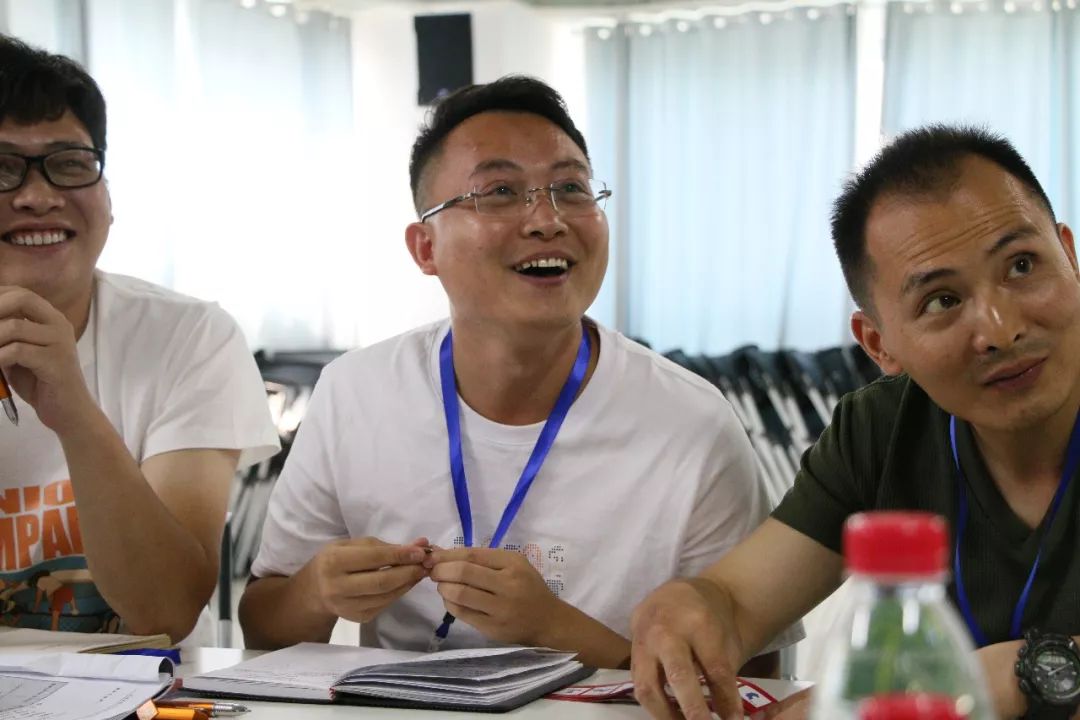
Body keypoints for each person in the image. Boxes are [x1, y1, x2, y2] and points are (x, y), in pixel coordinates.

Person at [239, 75, 797, 671]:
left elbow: (754, 679)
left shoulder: (692, 422)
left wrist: (553, 627)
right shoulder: (356, 393)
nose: (547, 220)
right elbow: (262, 627)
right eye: (500, 191)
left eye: (571, 188)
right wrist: (315, 592)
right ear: (425, 248)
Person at [629, 124, 1080, 720]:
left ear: (1070, 256)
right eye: (942, 301)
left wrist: (1015, 676)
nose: (1001, 330)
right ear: (878, 343)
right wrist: (687, 610)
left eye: (1022, 265)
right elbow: (734, 602)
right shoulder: (880, 428)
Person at [0, 35, 279, 644]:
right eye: (2, 168)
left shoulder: (188, 337)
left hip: (145, 686)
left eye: (70, 163)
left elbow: (165, 612)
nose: (39, 196)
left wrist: (74, 412)